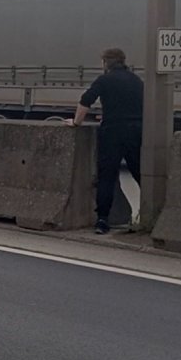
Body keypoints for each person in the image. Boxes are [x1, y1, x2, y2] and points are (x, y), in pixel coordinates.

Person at [68, 47, 143, 234]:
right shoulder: (136, 81)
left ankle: (102, 220)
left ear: (106, 63)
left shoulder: (105, 80)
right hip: (135, 131)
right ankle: (150, 214)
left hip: (112, 131)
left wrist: (76, 122)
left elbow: (86, 100)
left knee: (107, 177)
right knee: (140, 174)